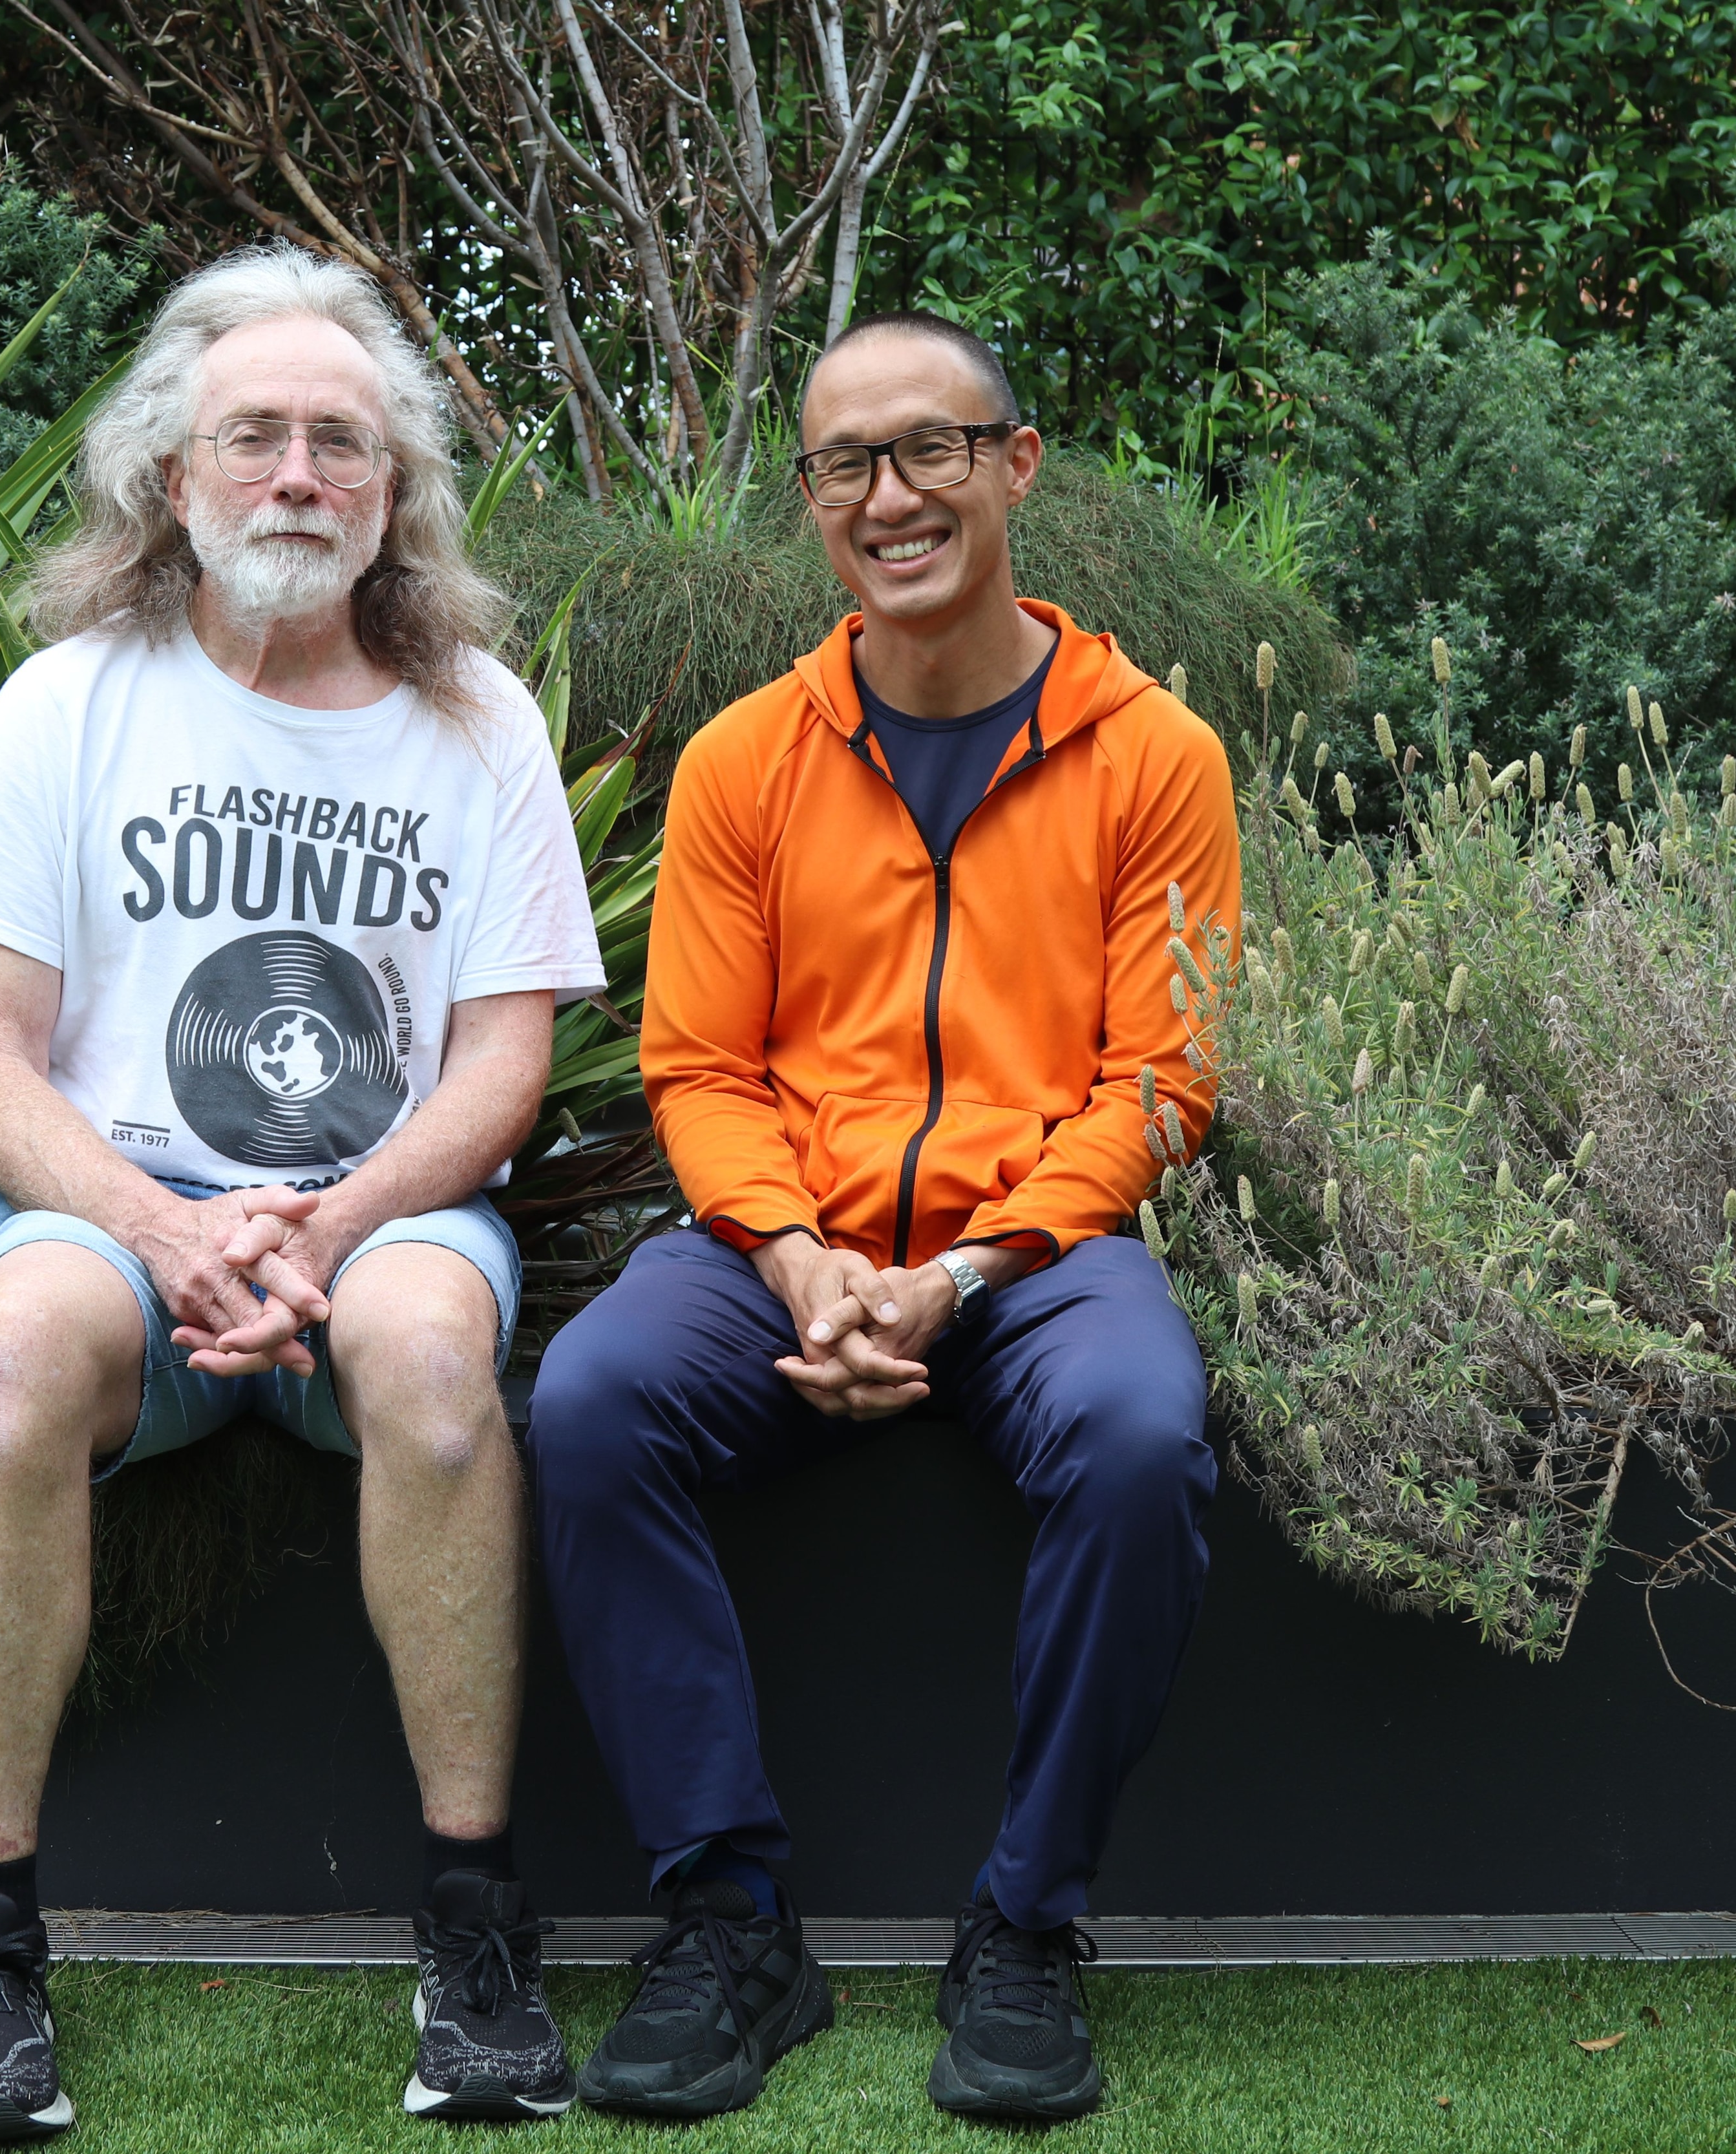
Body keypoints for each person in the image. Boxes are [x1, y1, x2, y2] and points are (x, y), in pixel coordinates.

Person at [0, 244, 604, 2144]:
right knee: (23, 1353)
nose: (299, 474)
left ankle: (473, 1926)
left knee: (438, 1362)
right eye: (258, 437)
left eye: (342, 446)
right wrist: (170, 1228)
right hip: (120, 1214)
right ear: (172, 475)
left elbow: (504, 1066)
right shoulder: (68, 703)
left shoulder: (478, 728)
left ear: (395, 498)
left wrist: (335, 1218)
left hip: (376, 1211)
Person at [527, 312, 1241, 2124]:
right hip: (789, 1241)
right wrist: (797, 1259)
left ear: (1015, 464)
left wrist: (967, 1268)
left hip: (1041, 1254)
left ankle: (1025, 1923)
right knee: (594, 1401)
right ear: (815, 506)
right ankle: (731, 1918)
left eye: (928, 448)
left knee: (1147, 1435)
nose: (890, 495)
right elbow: (695, 1066)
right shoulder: (747, 762)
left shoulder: (1155, 756)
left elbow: (1162, 1080)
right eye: (846, 464)